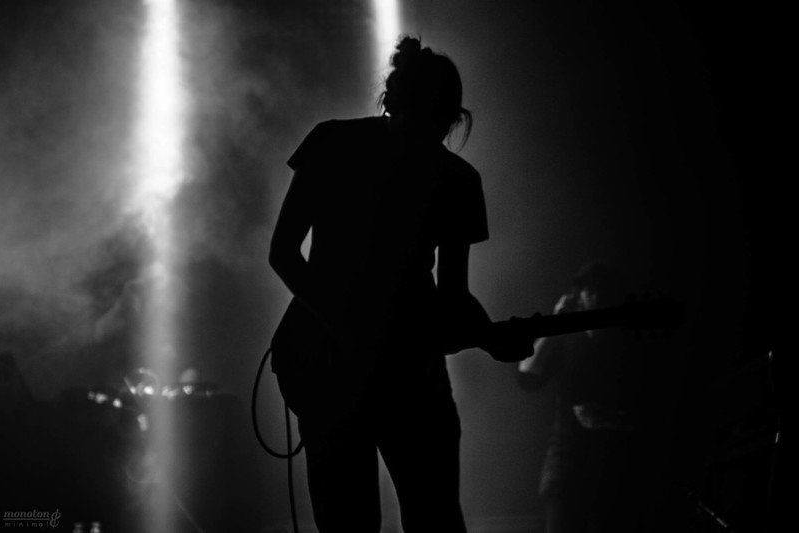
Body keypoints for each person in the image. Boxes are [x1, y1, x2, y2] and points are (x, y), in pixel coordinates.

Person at [269, 37, 528, 532]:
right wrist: (493, 339)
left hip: (321, 362)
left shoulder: (331, 141)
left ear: (390, 97)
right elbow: (453, 298)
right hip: (406, 368)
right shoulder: (457, 178)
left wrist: (340, 324)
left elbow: (283, 253)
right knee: (434, 516)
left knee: (347, 519)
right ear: (454, 116)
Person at [518, 263, 652, 533]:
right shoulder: (567, 340)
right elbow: (527, 376)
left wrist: (609, 420)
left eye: (602, 290)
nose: (595, 297)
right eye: (589, 290)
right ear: (579, 296)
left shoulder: (631, 345)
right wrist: (553, 324)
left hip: (616, 471)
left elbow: (652, 410)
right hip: (567, 467)